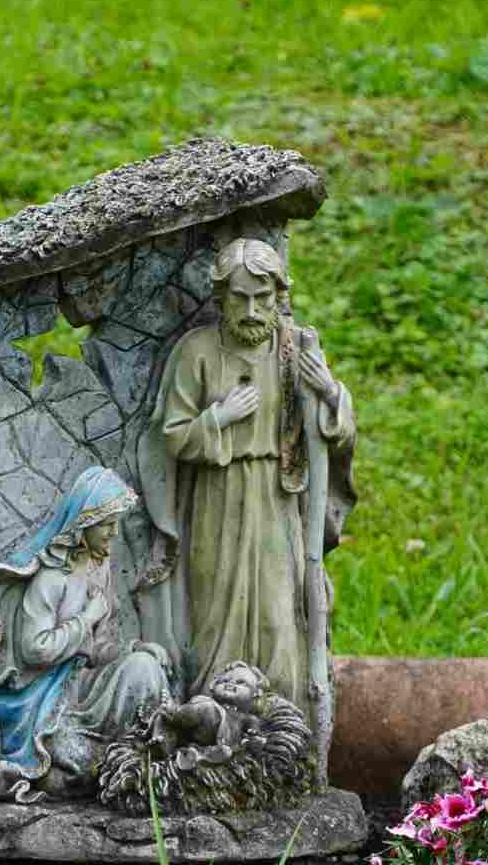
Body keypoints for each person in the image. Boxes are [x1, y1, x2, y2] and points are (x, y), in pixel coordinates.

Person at [135, 237, 357, 720]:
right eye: (240, 298)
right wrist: (219, 417)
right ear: (221, 298)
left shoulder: (294, 348)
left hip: (278, 499)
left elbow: (334, 432)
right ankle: (212, 723)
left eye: (262, 298)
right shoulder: (196, 352)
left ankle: (283, 726)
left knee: (280, 614)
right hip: (216, 499)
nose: (252, 310)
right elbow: (171, 437)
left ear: (279, 296)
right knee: (215, 617)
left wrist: (329, 392)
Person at [0, 466, 170, 803]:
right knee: (72, 757)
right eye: (107, 525)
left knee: (144, 668)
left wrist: (135, 650)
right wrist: (85, 618)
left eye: (115, 523)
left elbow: (98, 647)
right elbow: (36, 649)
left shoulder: (98, 567)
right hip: (47, 698)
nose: (114, 533)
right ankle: (99, 765)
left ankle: (143, 754)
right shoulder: (52, 577)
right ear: (84, 524)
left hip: (82, 683)